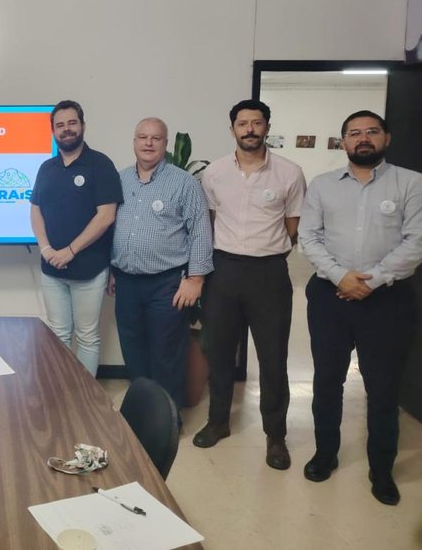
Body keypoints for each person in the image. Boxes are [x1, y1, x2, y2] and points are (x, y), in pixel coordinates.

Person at [299, 110, 422, 506]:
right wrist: (341, 277)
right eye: (354, 133)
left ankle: (381, 469)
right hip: (330, 298)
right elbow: (308, 238)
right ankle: (325, 453)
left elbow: (416, 241)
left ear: (386, 138)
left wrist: (373, 280)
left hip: (388, 301)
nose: (363, 138)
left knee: (383, 389)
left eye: (371, 131)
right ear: (344, 142)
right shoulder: (322, 186)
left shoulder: (412, 183)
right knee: (326, 382)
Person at [193, 99, 306, 471]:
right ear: (233, 130)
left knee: (273, 357)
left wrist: (265, 252)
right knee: (219, 352)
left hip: (268, 273)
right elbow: (210, 222)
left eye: (257, 123)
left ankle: (276, 435)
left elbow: (292, 228)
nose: (250, 130)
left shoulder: (289, 173)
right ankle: (218, 422)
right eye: (243, 123)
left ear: (267, 127)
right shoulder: (215, 173)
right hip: (223, 270)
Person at [108, 117, 213, 409]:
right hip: (126, 283)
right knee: (133, 352)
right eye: (142, 137)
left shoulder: (184, 182)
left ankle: (168, 420)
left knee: (167, 356)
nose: (148, 143)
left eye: (156, 138)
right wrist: (113, 270)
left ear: (165, 144)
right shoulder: (120, 180)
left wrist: (196, 279)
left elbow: (201, 231)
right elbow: (111, 227)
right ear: (134, 142)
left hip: (166, 285)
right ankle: (143, 416)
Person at [30, 100, 122, 376]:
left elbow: (106, 216)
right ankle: (62, 392)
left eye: (72, 123)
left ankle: (85, 397)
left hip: (89, 270)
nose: (66, 129)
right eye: (60, 125)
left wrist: (70, 251)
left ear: (82, 126)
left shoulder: (101, 164)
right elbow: (35, 211)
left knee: (87, 336)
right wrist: (46, 249)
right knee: (57, 334)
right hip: (52, 270)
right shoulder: (46, 168)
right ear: (53, 131)